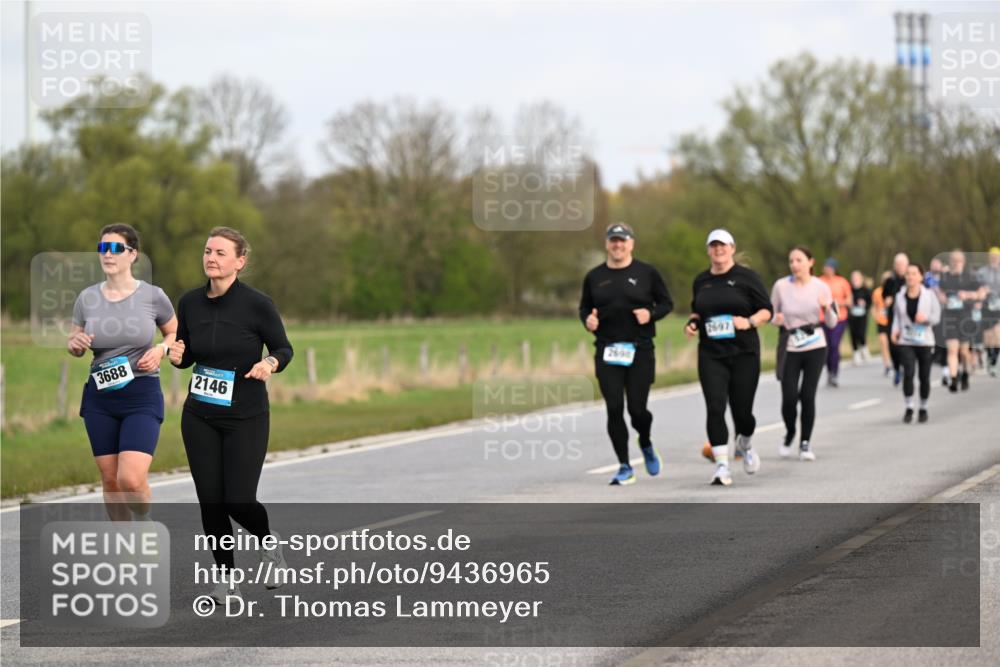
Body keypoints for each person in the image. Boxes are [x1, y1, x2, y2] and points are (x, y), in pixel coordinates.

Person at [169, 227, 294, 602]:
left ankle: (268, 544)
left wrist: (270, 362)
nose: (211, 258)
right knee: (211, 500)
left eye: (221, 253)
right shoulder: (190, 302)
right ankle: (225, 577)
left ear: (240, 261)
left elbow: (284, 348)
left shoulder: (257, 304)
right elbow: (189, 354)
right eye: (208, 251)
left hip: (246, 416)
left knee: (238, 500)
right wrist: (178, 358)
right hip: (199, 416)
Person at [68, 224, 177, 522]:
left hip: (141, 394)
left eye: (115, 248)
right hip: (100, 398)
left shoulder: (153, 296)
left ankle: (143, 522)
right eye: (103, 248)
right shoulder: (86, 298)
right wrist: (74, 344)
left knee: (130, 479)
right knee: (110, 481)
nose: (107, 254)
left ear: (133, 255)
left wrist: (160, 350)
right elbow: (75, 343)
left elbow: (174, 333)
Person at [579, 222, 673, 485]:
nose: (617, 245)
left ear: (631, 243)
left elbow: (667, 303)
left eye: (622, 240)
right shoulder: (594, 277)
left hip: (640, 349)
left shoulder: (647, 273)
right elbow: (584, 309)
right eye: (613, 240)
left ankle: (645, 441)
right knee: (614, 407)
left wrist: (650, 314)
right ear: (607, 244)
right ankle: (624, 465)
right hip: (608, 350)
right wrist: (588, 321)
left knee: (637, 410)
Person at [684, 229, 772, 486]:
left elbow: (767, 310)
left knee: (742, 412)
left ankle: (744, 442)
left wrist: (749, 321)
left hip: (744, 353)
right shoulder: (701, 280)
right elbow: (697, 311)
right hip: (711, 354)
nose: (718, 250)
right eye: (713, 246)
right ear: (708, 250)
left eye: (722, 245)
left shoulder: (747, 278)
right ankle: (722, 466)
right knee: (715, 407)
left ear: (732, 248)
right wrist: (692, 323)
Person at [770, 246, 838, 461]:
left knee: (807, 395)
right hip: (790, 345)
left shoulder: (822, 287)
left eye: (799, 260)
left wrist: (827, 309)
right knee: (789, 396)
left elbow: (832, 322)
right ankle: (790, 432)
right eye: (791, 261)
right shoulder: (781, 286)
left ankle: (805, 443)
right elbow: (770, 314)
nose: (794, 265)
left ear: (811, 262)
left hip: (815, 344)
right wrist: (776, 319)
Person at [891, 263, 941, 423]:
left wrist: (925, 319)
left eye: (913, 273)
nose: (910, 277)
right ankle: (909, 406)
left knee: (924, 377)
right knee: (908, 373)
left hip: (925, 340)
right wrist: (894, 330)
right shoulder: (900, 296)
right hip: (906, 339)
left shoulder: (929, 295)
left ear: (920, 277)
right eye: (908, 273)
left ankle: (923, 407)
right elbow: (897, 317)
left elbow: (936, 317)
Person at [938, 249, 984, 392]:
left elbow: (981, 293)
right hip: (949, 317)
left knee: (964, 351)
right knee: (952, 350)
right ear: (950, 262)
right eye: (953, 260)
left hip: (965, 317)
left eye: (959, 261)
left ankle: (965, 373)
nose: (956, 263)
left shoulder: (970, 277)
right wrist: (942, 298)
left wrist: (969, 295)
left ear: (963, 262)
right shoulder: (945, 277)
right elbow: (939, 291)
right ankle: (953, 378)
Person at [819, 258, 852, 386]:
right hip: (823, 318)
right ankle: (829, 371)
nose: (827, 269)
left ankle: (835, 373)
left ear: (834, 269)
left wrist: (835, 303)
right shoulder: (819, 281)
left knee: (834, 345)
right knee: (826, 347)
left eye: (830, 267)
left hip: (839, 318)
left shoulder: (842, 282)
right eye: (826, 267)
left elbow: (849, 300)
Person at [881, 253, 910, 386]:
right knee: (893, 345)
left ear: (907, 265)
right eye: (897, 264)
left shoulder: (911, 279)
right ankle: (897, 368)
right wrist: (887, 300)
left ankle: (907, 367)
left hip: (908, 318)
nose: (900, 267)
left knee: (906, 344)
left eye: (902, 264)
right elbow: (884, 295)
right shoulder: (890, 280)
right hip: (893, 317)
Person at [977, 247, 1000, 377]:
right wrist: (981, 292)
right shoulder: (982, 272)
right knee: (988, 337)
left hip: (999, 307)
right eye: (992, 256)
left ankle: (993, 360)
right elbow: (976, 286)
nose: (994, 258)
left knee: (998, 335)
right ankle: (989, 355)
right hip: (986, 306)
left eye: (996, 256)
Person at [847, 270, 871, 366]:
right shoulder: (849, 289)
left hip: (862, 315)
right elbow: (846, 300)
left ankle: (864, 347)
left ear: (861, 279)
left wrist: (865, 304)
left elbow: (869, 302)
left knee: (861, 333)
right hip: (852, 315)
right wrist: (849, 303)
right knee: (853, 334)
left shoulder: (865, 290)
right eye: (853, 278)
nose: (855, 280)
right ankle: (856, 354)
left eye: (857, 278)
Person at [872, 272, 893, 377]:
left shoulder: (895, 291)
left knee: (893, 344)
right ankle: (887, 365)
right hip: (881, 321)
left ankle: (896, 363)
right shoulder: (877, 292)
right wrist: (876, 316)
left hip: (892, 322)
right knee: (883, 342)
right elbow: (874, 306)